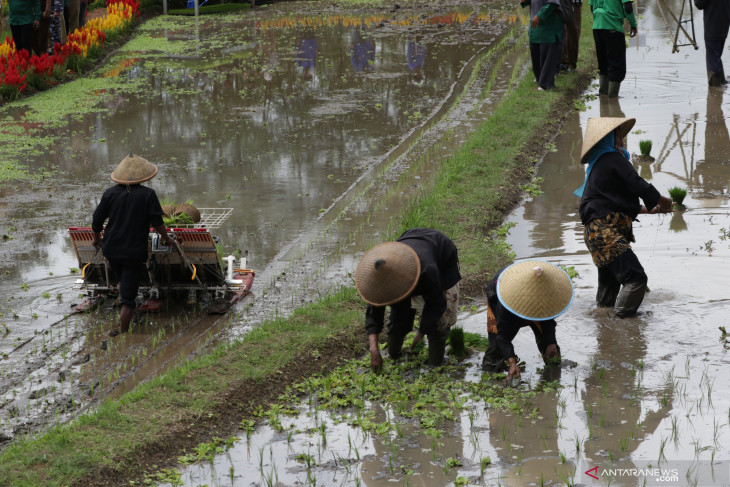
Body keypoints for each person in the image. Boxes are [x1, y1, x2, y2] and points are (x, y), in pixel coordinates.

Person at [575, 118, 674, 318]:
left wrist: (651, 209)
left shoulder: (600, 163)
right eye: (617, 135)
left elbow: (614, 202)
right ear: (609, 139)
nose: (621, 140)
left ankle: (604, 327)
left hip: (595, 235)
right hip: (606, 232)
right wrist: (663, 201)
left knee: (608, 290)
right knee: (636, 278)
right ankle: (620, 325)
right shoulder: (612, 157)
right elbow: (637, 182)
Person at [355, 228, 461, 373]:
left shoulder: (427, 270)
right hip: (410, 242)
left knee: (438, 324)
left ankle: (435, 364)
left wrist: (421, 332)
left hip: (442, 260)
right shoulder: (377, 281)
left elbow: (437, 302)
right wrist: (374, 350)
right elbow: (374, 313)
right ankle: (394, 353)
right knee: (399, 317)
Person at [92, 153, 173, 337]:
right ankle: (123, 333)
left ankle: (129, 301)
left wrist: (97, 238)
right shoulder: (147, 195)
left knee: (125, 282)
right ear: (142, 176)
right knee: (128, 298)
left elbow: (97, 220)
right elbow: (157, 223)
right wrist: (167, 239)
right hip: (132, 252)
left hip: (111, 249)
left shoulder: (110, 193)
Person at [481, 260, 574, 382]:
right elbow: (503, 337)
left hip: (537, 300)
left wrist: (551, 342)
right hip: (499, 297)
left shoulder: (547, 296)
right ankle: (490, 374)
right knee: (496, 346)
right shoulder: (507, 302)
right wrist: (512, 363)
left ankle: (553, 375)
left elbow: (549, 323)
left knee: (551, 348)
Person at [590, 0, 637, 97]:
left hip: (597, 27)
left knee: (603, 62)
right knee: (616, 63)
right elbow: (628, 7)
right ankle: (612, 97)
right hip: (613, 27)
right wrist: (633, 24)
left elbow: (591, 6)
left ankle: (603, 93)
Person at [520, 0, 564, 90]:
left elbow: (553, 3)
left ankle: (546, 84)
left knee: (548, 55)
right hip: (535, 25)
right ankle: (540, 78)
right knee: (536, 53)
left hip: (549, 25)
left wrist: (540, 16)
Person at [694, 0, 730, 86]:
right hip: (724, 24)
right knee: (717, 55)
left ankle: (716, 87)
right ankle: (722, 82)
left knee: (713, 56)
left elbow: (699, 4)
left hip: (712, 25)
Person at [560, 0, 582, 72]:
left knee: (573, 32)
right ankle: (563, 61)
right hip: (560, 3)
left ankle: (571, 63)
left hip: (574, 4)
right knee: (562, 30)